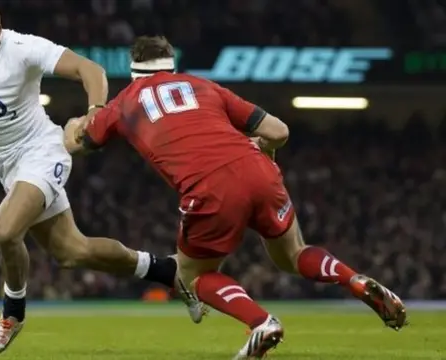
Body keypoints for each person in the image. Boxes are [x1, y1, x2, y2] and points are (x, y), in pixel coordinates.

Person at [63, 35, 408, 359]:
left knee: (191, 276)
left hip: (209, 188)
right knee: (292, 254)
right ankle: (352, 279)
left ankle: (261, 322)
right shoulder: (205, 86)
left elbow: (77, 144)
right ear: (171, 64)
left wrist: (73, 123)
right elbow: (278, 131)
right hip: (257, 169)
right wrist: (261, 151)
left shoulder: (125, 102)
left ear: (134, 67)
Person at [0, 1, 205, 357]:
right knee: (74, 251)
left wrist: (94, 113)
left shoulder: (24, 49)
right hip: (8, 168)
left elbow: (90, 70)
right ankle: (167, 271)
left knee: (5, 230)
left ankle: (12, 315)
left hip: (43, 150)